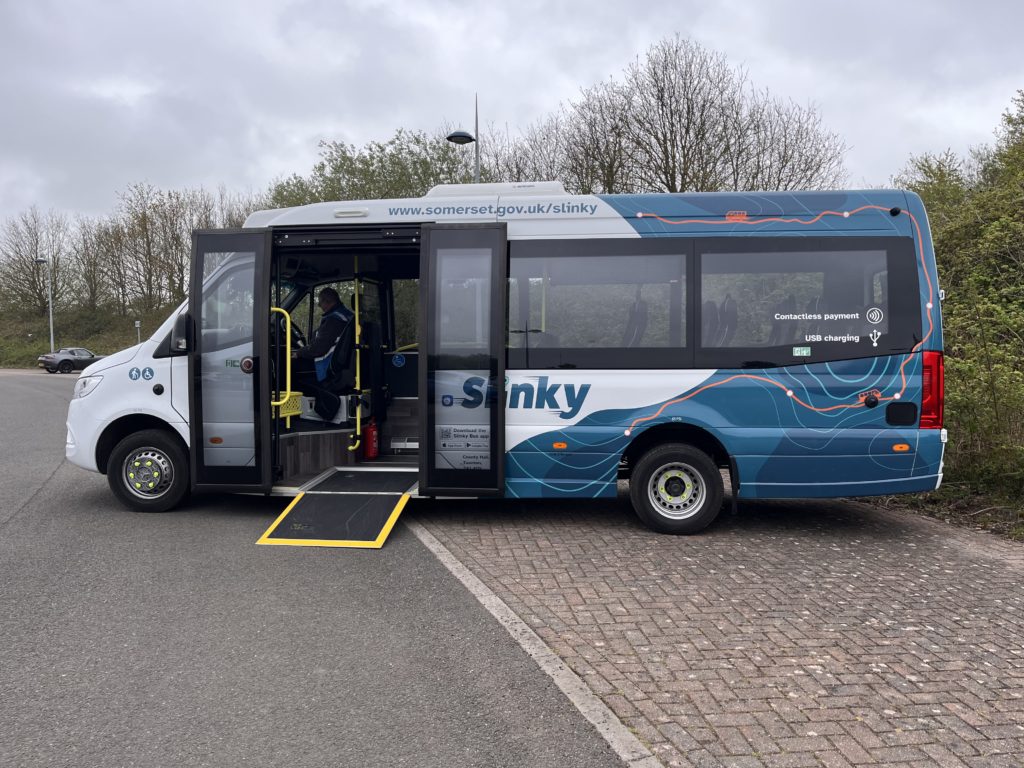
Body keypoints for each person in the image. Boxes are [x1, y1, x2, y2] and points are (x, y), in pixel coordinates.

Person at [293, 287, 355, 421]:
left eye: (320, 303)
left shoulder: (334, 320)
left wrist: (298, 353)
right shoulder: (347, 315)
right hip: (344, 368)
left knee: (293, 375)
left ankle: (294, 418)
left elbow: (318, 349)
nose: (320, 306)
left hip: (331, 372)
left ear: (328, 302)